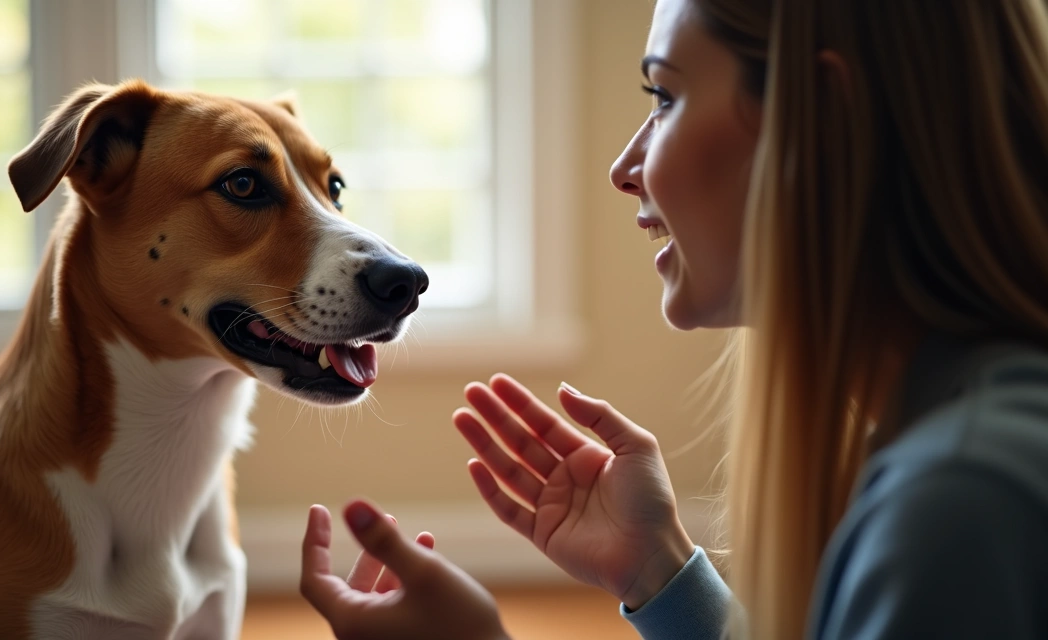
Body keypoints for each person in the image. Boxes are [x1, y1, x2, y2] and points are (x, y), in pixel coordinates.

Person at [298, 0, 1048, 637]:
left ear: (821, 121)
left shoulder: (962, 504)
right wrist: (661, 573)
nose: (627, 168)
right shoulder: (965, 439)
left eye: (664, 97)